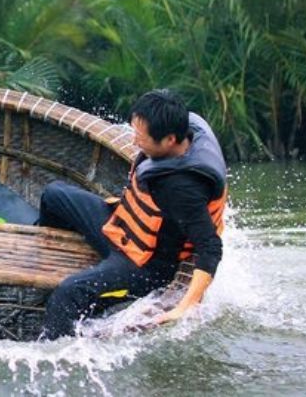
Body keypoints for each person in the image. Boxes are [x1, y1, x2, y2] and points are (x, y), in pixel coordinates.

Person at [38, 89, 227, 339]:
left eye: (141, 137)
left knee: (67, 292)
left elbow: (210, 247)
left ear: (169, 140)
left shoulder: (182, 188)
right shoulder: (184, 132)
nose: (135, 141)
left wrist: (185, 307)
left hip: (143, 265)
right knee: (53, 194)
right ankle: (44, 264)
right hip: (121, 226)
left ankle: (53, 351)